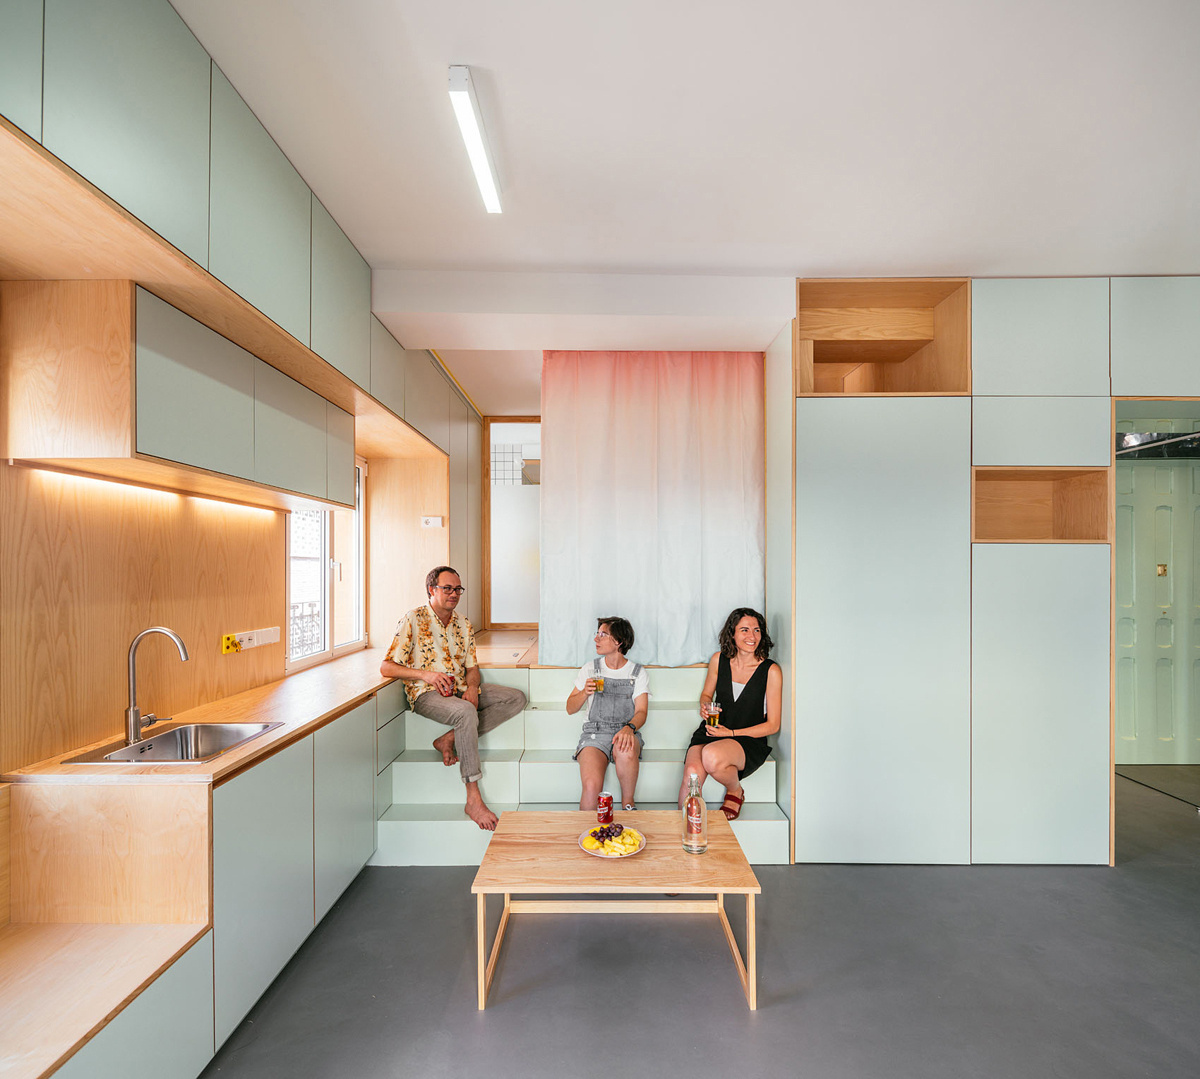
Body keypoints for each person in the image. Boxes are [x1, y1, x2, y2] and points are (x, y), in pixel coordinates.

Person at [380, 565, 526, 830]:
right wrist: (427, 675)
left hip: (460, 689)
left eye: (458, 589)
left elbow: (472, 668)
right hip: (427, 694)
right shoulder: (413, 619)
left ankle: (449, 738)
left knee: (516, 698)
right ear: (431, 590)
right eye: (447, 588)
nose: (454, 594)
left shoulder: (463, 623)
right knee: (465, 712)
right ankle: (473, 797)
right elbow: (387, 667)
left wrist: (472, 688)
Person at [678, 607, 781, 821]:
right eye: (744, 630)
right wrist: (705, 706)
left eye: (757, 630)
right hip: (712, 730)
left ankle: (735, 790)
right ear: (732, 633)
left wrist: (731, 733)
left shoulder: (771, 671)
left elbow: (772, 725)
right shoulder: (719, 660)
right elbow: (707, 694)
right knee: (691, 776)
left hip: (747, 739)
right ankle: (687, 832)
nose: (752, 636)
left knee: (711, 756)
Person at [565, 617, 649, 812]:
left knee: (625, 750)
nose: (596, 638)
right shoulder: (590, 669)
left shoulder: (637, 672)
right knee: (592, 787)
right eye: (597, 633)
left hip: (625, 731)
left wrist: (629, 728)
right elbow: (570, 708)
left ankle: (629, 806)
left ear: (619, 641)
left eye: (603, 634)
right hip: (594, 734)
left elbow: (642, 712)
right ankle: (586, 834)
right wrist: (584, 693)